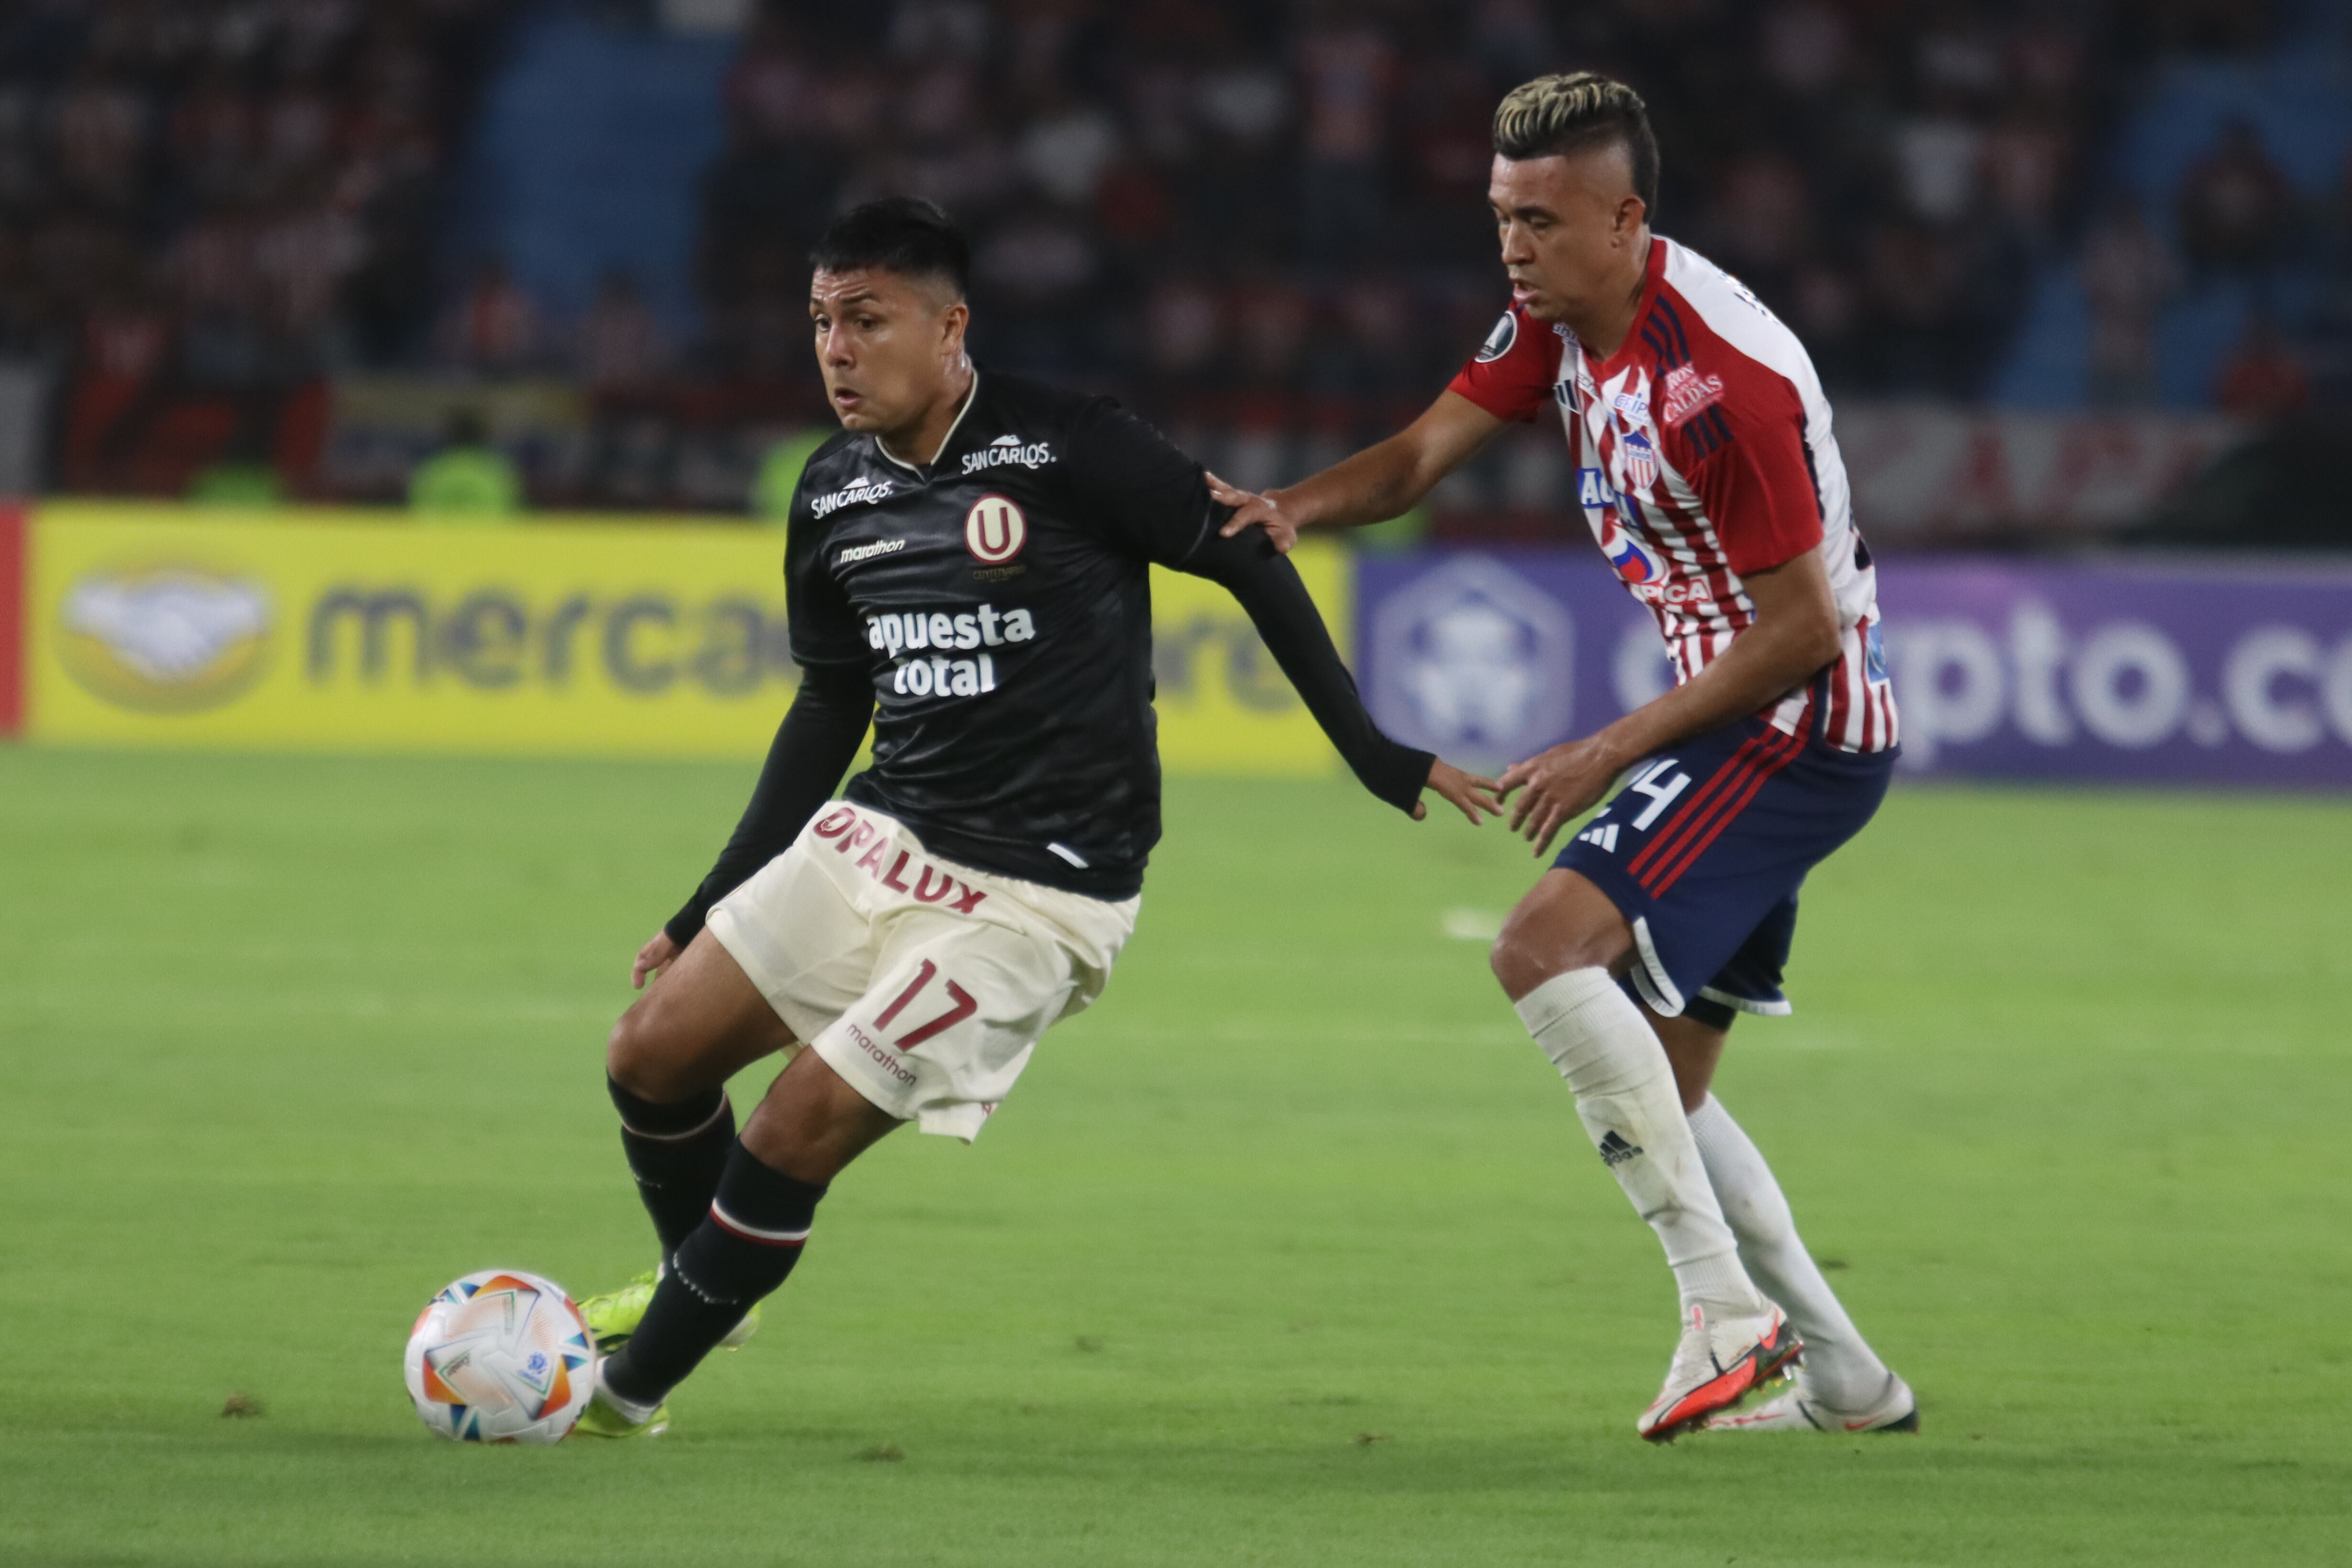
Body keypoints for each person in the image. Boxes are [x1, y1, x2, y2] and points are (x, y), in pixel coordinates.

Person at [571, 197, 1497, 1437]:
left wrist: (1376, 754)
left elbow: (1247, 551)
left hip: (1039, 895)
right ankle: (707, 1289)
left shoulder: (1072, 446)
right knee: (648, 1053)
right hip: (884, 835)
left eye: (866, 320)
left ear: (950, 328)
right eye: (819, 324)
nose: (837, 350)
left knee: (795, 1122)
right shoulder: (833, 492)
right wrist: (701, 907)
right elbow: (830, 703)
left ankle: (618, 1396)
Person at [1213, 74, 1912, 1442]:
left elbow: (1802, 632)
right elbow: (1422, 454)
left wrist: (1606, 747)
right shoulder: (1562, 318)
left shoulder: (1722, 386)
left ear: (1625, 219)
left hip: (1789, 728)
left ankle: (1724, 1317)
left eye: (1538, 221)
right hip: (1744, 721)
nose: (1513, 249)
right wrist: (1287, 509)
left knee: (1541, 949)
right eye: (1499, 219)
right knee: (1668, 1079)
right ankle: (1847, 1381)